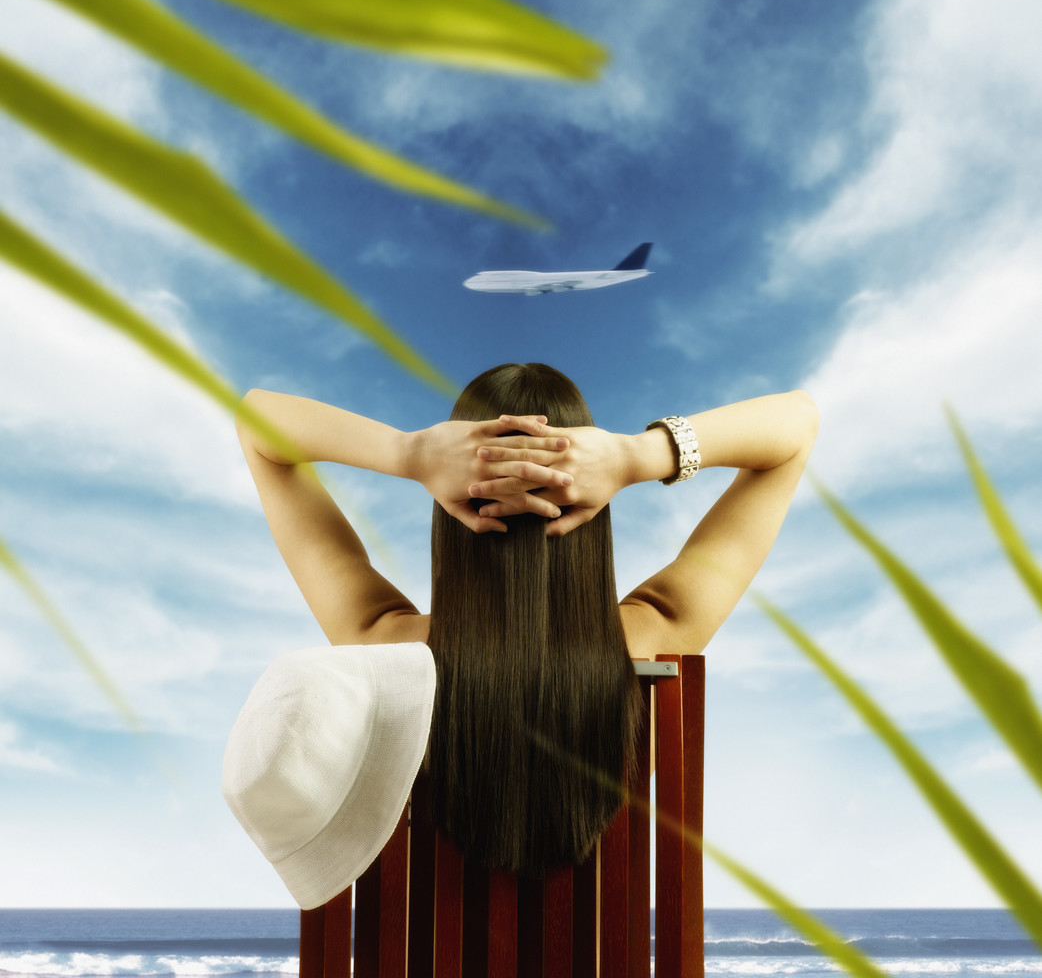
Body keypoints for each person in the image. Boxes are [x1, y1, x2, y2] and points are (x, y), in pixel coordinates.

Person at [234, 362, 817, 877]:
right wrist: (634, 455)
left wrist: (409, 453)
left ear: (452, 508)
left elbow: (257, 422)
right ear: (592, 511)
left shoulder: (382, 645)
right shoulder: (659, 632)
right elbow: (797, 426)